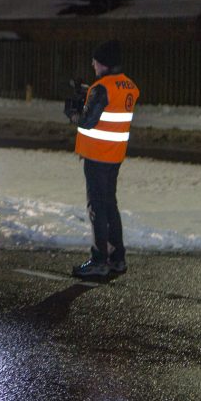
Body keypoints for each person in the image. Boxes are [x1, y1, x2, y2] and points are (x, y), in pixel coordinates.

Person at [67, 40, 139, 280]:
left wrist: (73, 112)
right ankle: (117, 257)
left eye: (95, 61)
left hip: (97, 156)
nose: (93, 64)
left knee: (97, 207)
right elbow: (108, 104)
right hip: (114, 155)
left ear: (104, 63)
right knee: (110, 205)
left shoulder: (102, 88)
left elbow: (87, 120)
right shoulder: (128, 85)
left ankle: (99, 260)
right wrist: (88, 93)